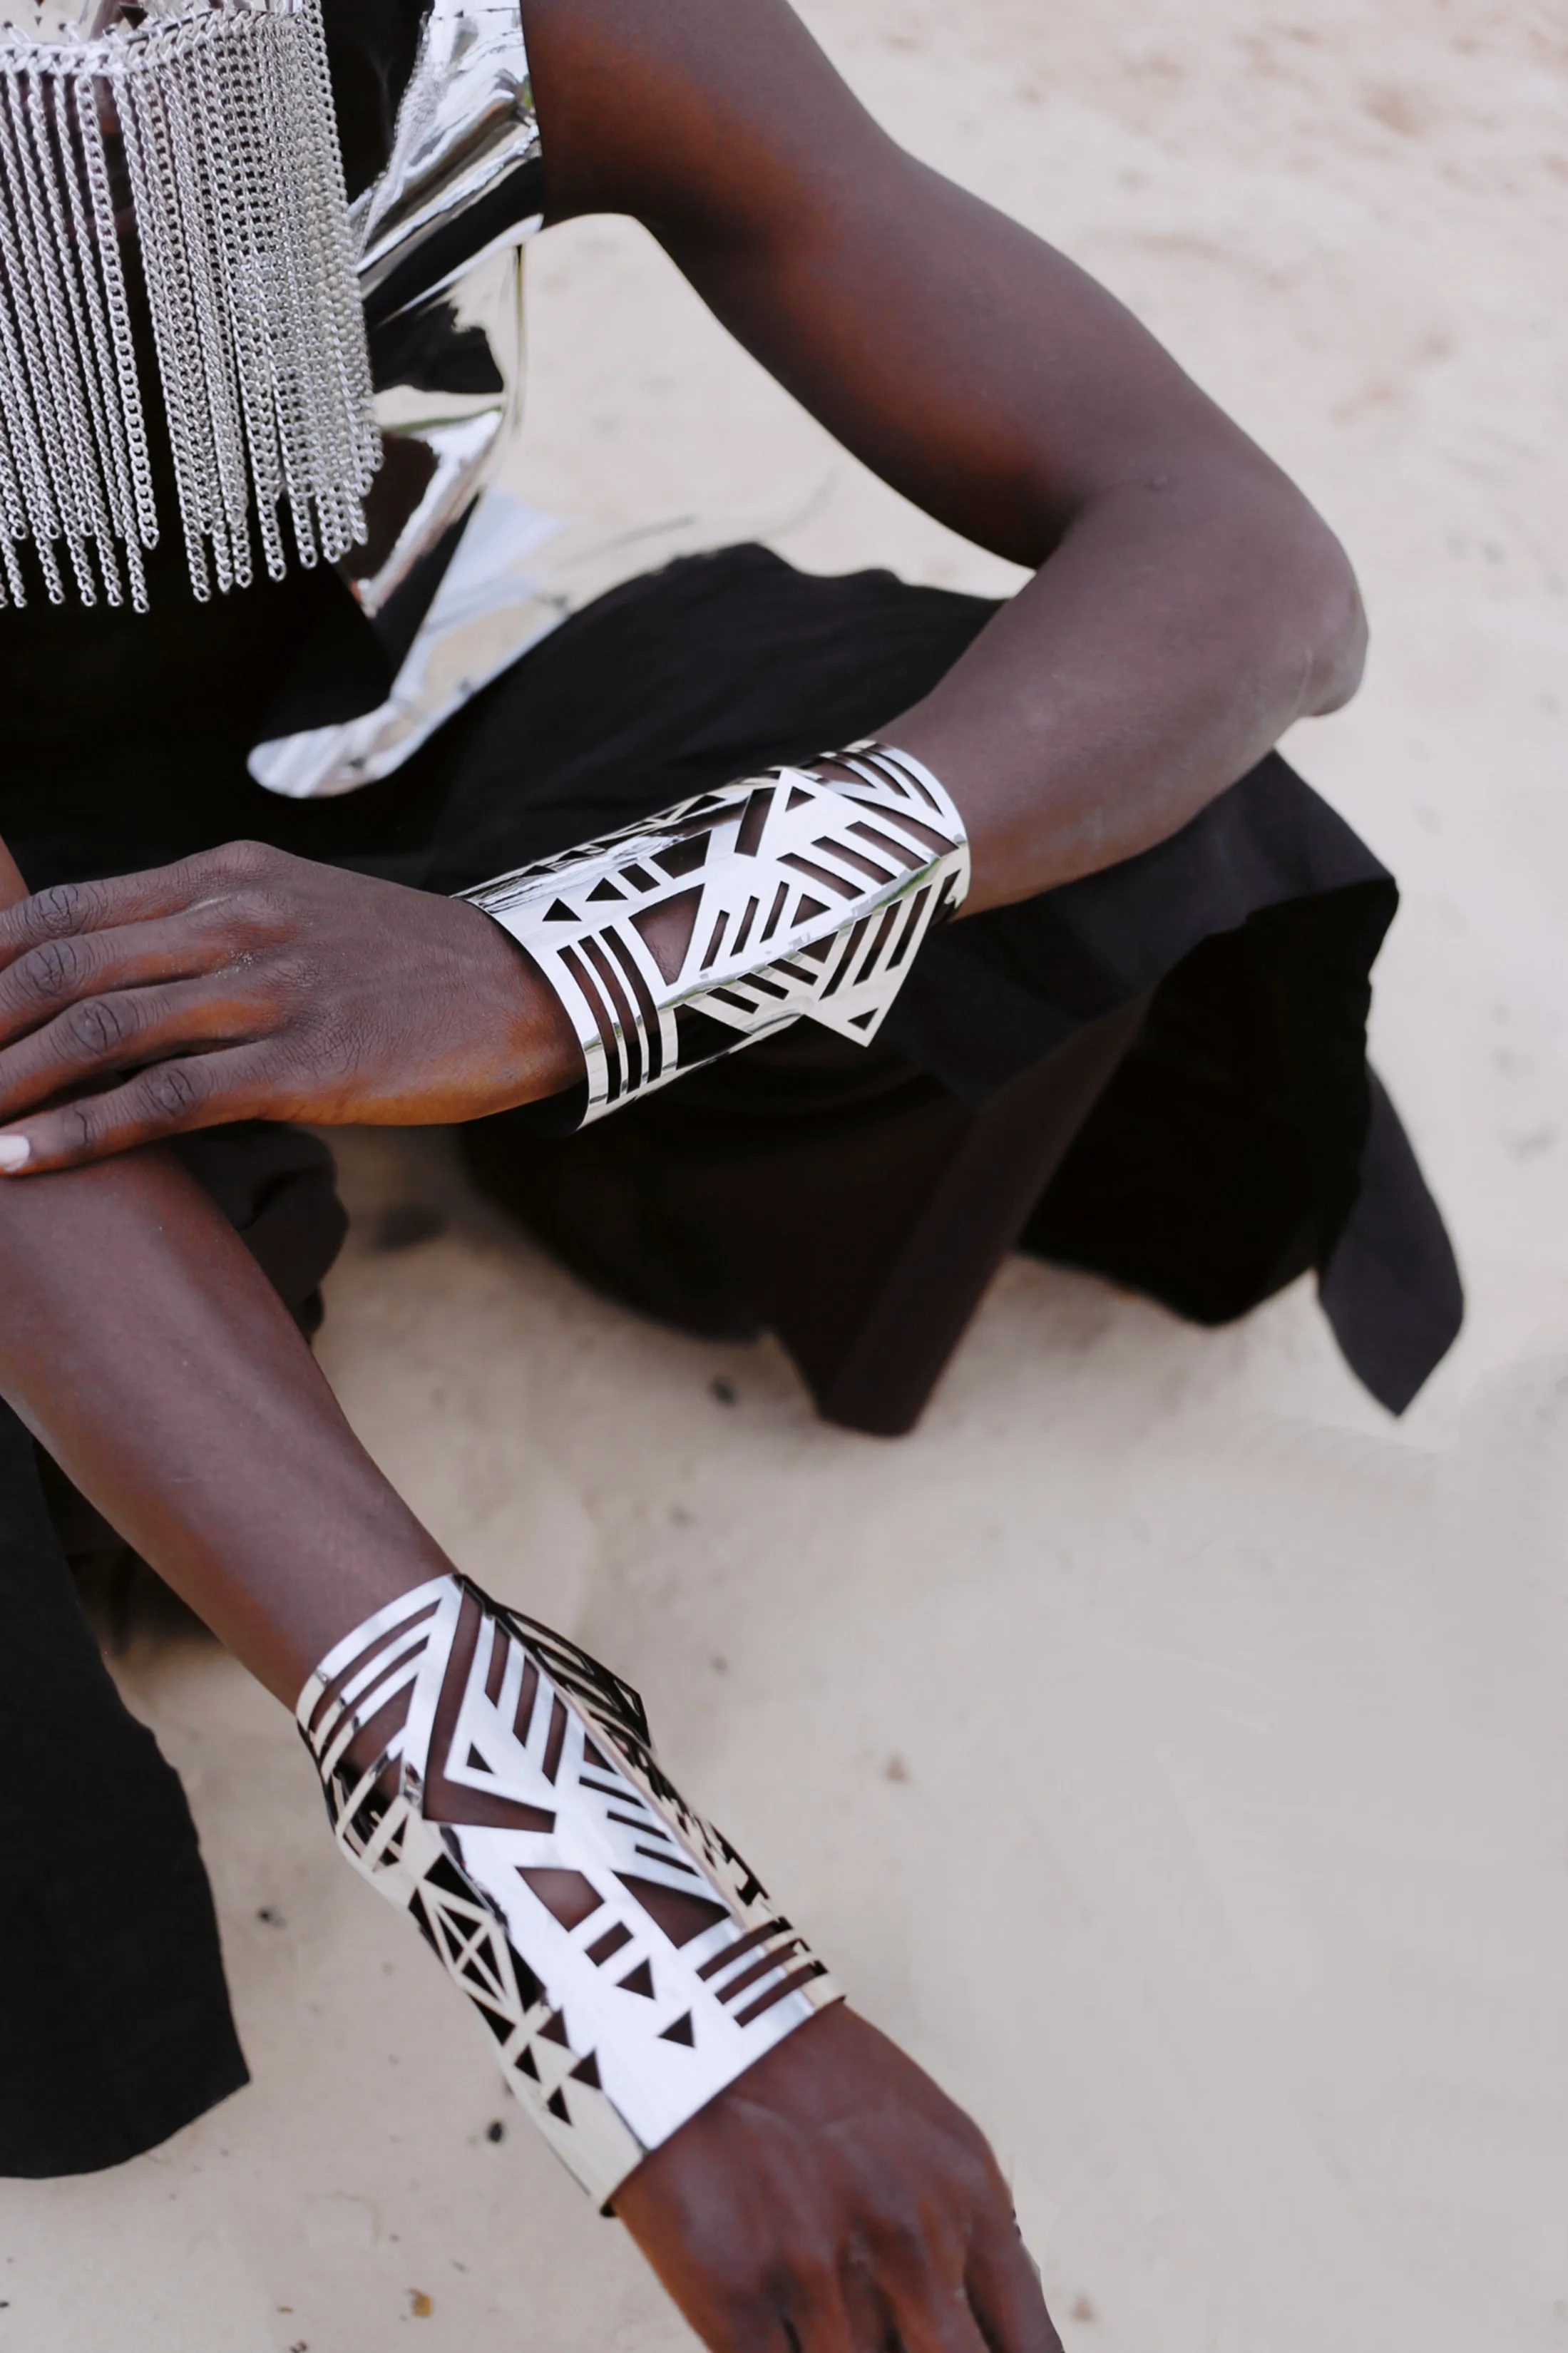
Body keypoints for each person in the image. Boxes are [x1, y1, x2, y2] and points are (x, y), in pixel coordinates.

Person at [0, 0, 1461, 2345]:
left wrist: (548, 964)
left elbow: (1248, 569)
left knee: (1100, 820)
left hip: (378, 724)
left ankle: (473, 1161)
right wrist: (624, 1947)